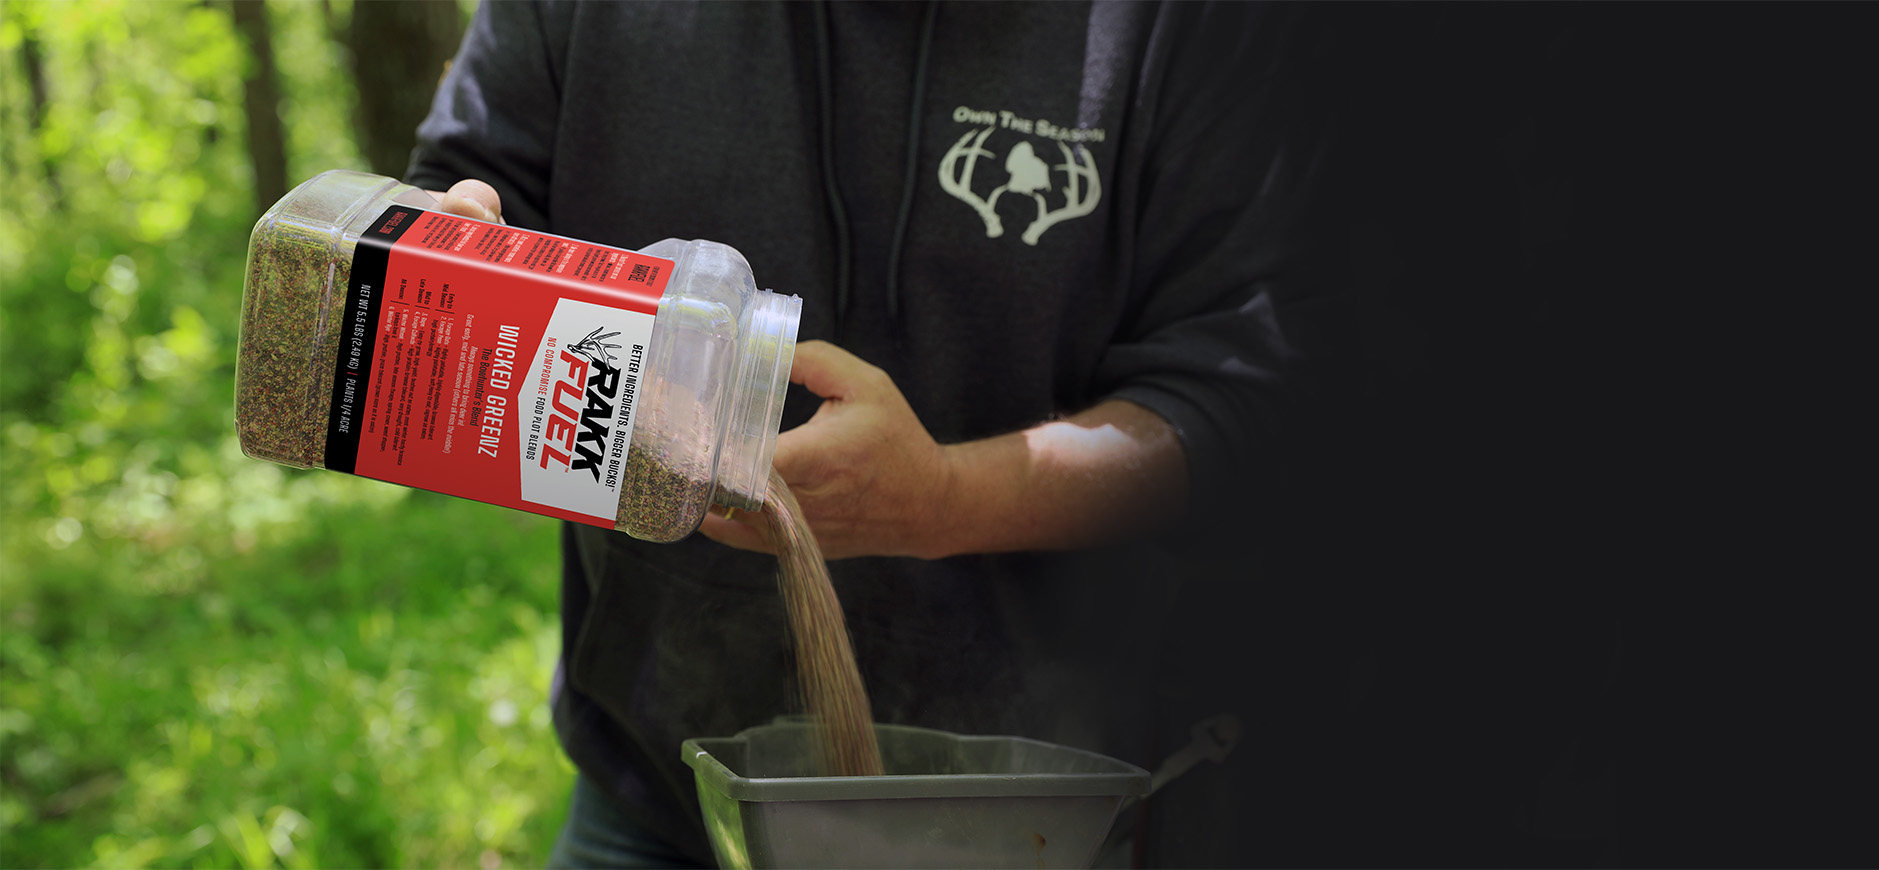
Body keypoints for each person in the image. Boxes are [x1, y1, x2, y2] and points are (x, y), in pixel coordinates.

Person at [404, 2, 1325, 866]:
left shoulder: (1189, 30)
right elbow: (459, 192)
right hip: (659, 788)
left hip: (1038, 815)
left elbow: (1247, 388)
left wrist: (949, 500)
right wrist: (449, 258)